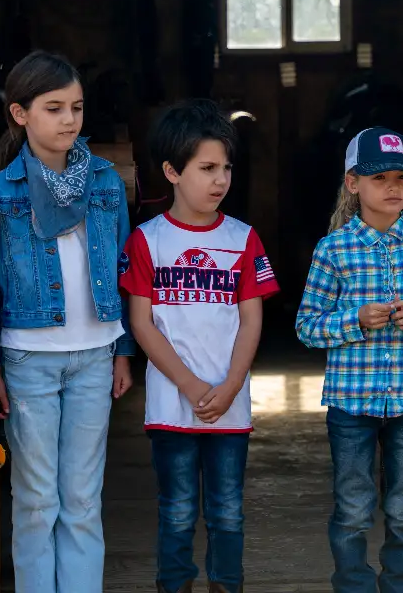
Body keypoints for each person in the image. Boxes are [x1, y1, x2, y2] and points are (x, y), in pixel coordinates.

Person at [0, 50, 135, 593]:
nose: (69, 120)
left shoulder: (107, 181)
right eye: (54, 108)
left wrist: (123, 350)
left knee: (84, 498)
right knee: (38, 499)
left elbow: (123, 269)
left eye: (77, 108)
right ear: (20, 114)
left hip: (95, 356)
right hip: (27, 361)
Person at [296, 127, 403, 593]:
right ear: (353, 184)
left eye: (402, 179)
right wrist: (355, 320)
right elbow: (307, 326)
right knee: (352, 507)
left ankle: (402, 586)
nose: (393, 188)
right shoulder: (333, 250)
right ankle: (353, 585)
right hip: (352, 402)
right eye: (379, 178)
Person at [120, 99, 278, 593]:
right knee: (178, 510)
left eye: (226, 168)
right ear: (171, 171)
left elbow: (252, 320)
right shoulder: (147, 241)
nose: (220, 180)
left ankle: (227, 585)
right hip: (172, 404)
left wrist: (231, 384)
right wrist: (189, 384)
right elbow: (142, 324)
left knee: (228, 511)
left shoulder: (243, 238)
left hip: (230, 406)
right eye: (207, 168)